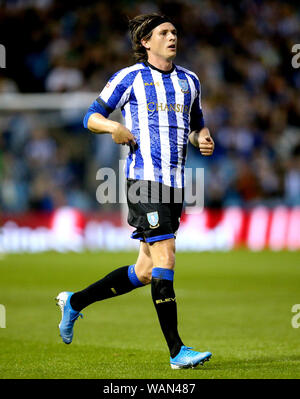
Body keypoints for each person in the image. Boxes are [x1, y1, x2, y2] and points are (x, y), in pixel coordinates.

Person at [56, 13, 215, 369]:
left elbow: (196, 124)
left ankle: (75, 302)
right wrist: (112, 126)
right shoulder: (129, 78)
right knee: (166, 257)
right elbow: (90, 116)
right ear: (146, 41)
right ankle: (178, 352)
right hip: (143, 181)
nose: (172, 37)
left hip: (176, 183)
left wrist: (201, 138)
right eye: (164, 32)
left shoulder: (190, 80)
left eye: (174, 31)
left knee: (145, 271)